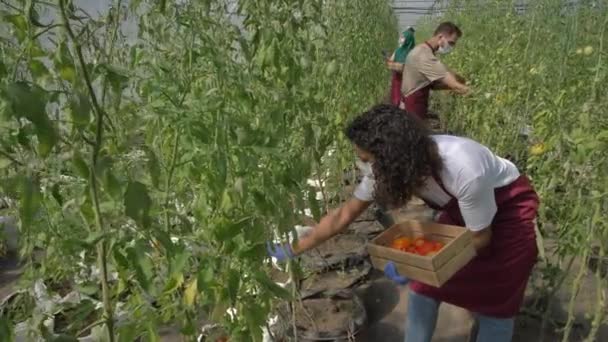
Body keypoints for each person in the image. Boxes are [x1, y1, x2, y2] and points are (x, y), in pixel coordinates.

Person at [268, 104, 539, 342]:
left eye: (366, 160)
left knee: (496, 303)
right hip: (464, 216)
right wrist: (295, 247)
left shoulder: (462, 166)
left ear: (391, 156)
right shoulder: (388, 167)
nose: (365, 168)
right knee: (424, 287)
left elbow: (480, 238)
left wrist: (422, 265)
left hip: (507, 217)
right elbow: (343, 215)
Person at [402, 22, 470, 121]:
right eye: (451, 43)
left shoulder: (423, 49)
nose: (451, 47)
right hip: (415, 104)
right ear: (440, 37)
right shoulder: (424, 55)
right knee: (417, 133)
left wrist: (452, 86)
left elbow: (432, 85)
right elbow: (454, 84)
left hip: (413, 101)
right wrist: (474, 93)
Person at [386, 26, 416, 106]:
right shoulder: (414, 52)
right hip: (409, 81)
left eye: (403, 38)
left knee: (397, 96)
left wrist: (388, 59)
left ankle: (397, 107)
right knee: (406, 99)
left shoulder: (398, 51)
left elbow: (391, 62)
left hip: (398, 78)